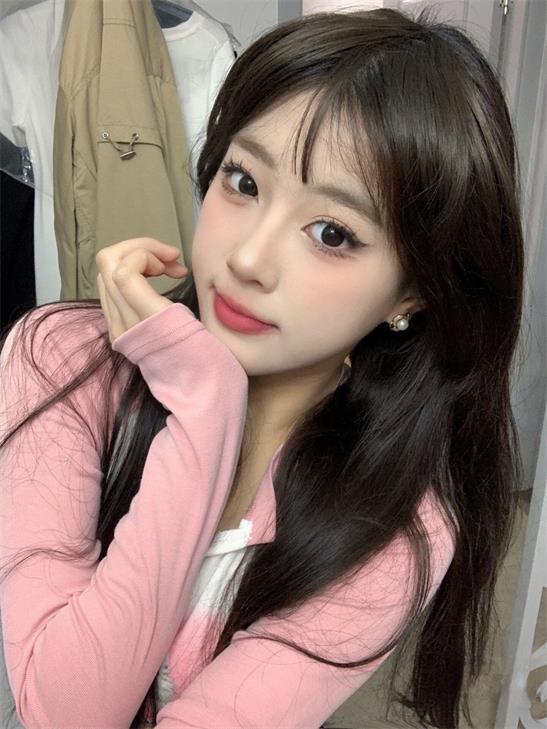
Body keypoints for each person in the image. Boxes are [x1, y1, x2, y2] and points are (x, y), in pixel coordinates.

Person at [0, 7, 524, 729]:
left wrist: (202, 405)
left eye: (331, 233)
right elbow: (64, 710)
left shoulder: (394, 526)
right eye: (243, 181)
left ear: (412, 292)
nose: (247, 259)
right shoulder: (61, 358)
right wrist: (205, 407)